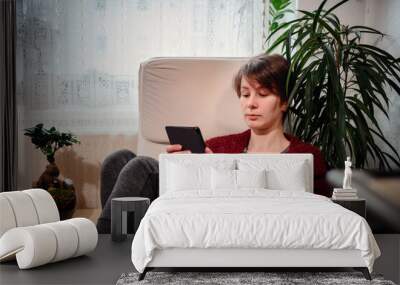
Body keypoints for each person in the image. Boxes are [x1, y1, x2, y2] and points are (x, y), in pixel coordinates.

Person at [96, 54, 331, 234]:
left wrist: (213, 169)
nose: (251, 104)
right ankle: (118, 243)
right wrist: (181, 164)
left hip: (224, 218)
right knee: (117, 159)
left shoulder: (306, 155)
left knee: (142, 167)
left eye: (262, 94)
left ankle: (105, 243)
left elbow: (314, 213)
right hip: (180, 202)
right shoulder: (218, 146)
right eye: (245, 94)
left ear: (284, 102)